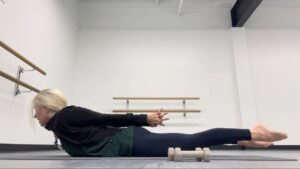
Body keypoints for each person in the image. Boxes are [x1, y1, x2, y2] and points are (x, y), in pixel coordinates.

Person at [32, 88, 288, 157]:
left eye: (36, 111)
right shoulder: (60, 128)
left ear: (45, 108)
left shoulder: (67, 115)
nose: (35, 116)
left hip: (130, 140)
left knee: (193, 141)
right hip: (129, 143)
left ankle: (254, 131)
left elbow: (104, 118)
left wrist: (144, 118)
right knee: (192, 142)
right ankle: (242, 138)